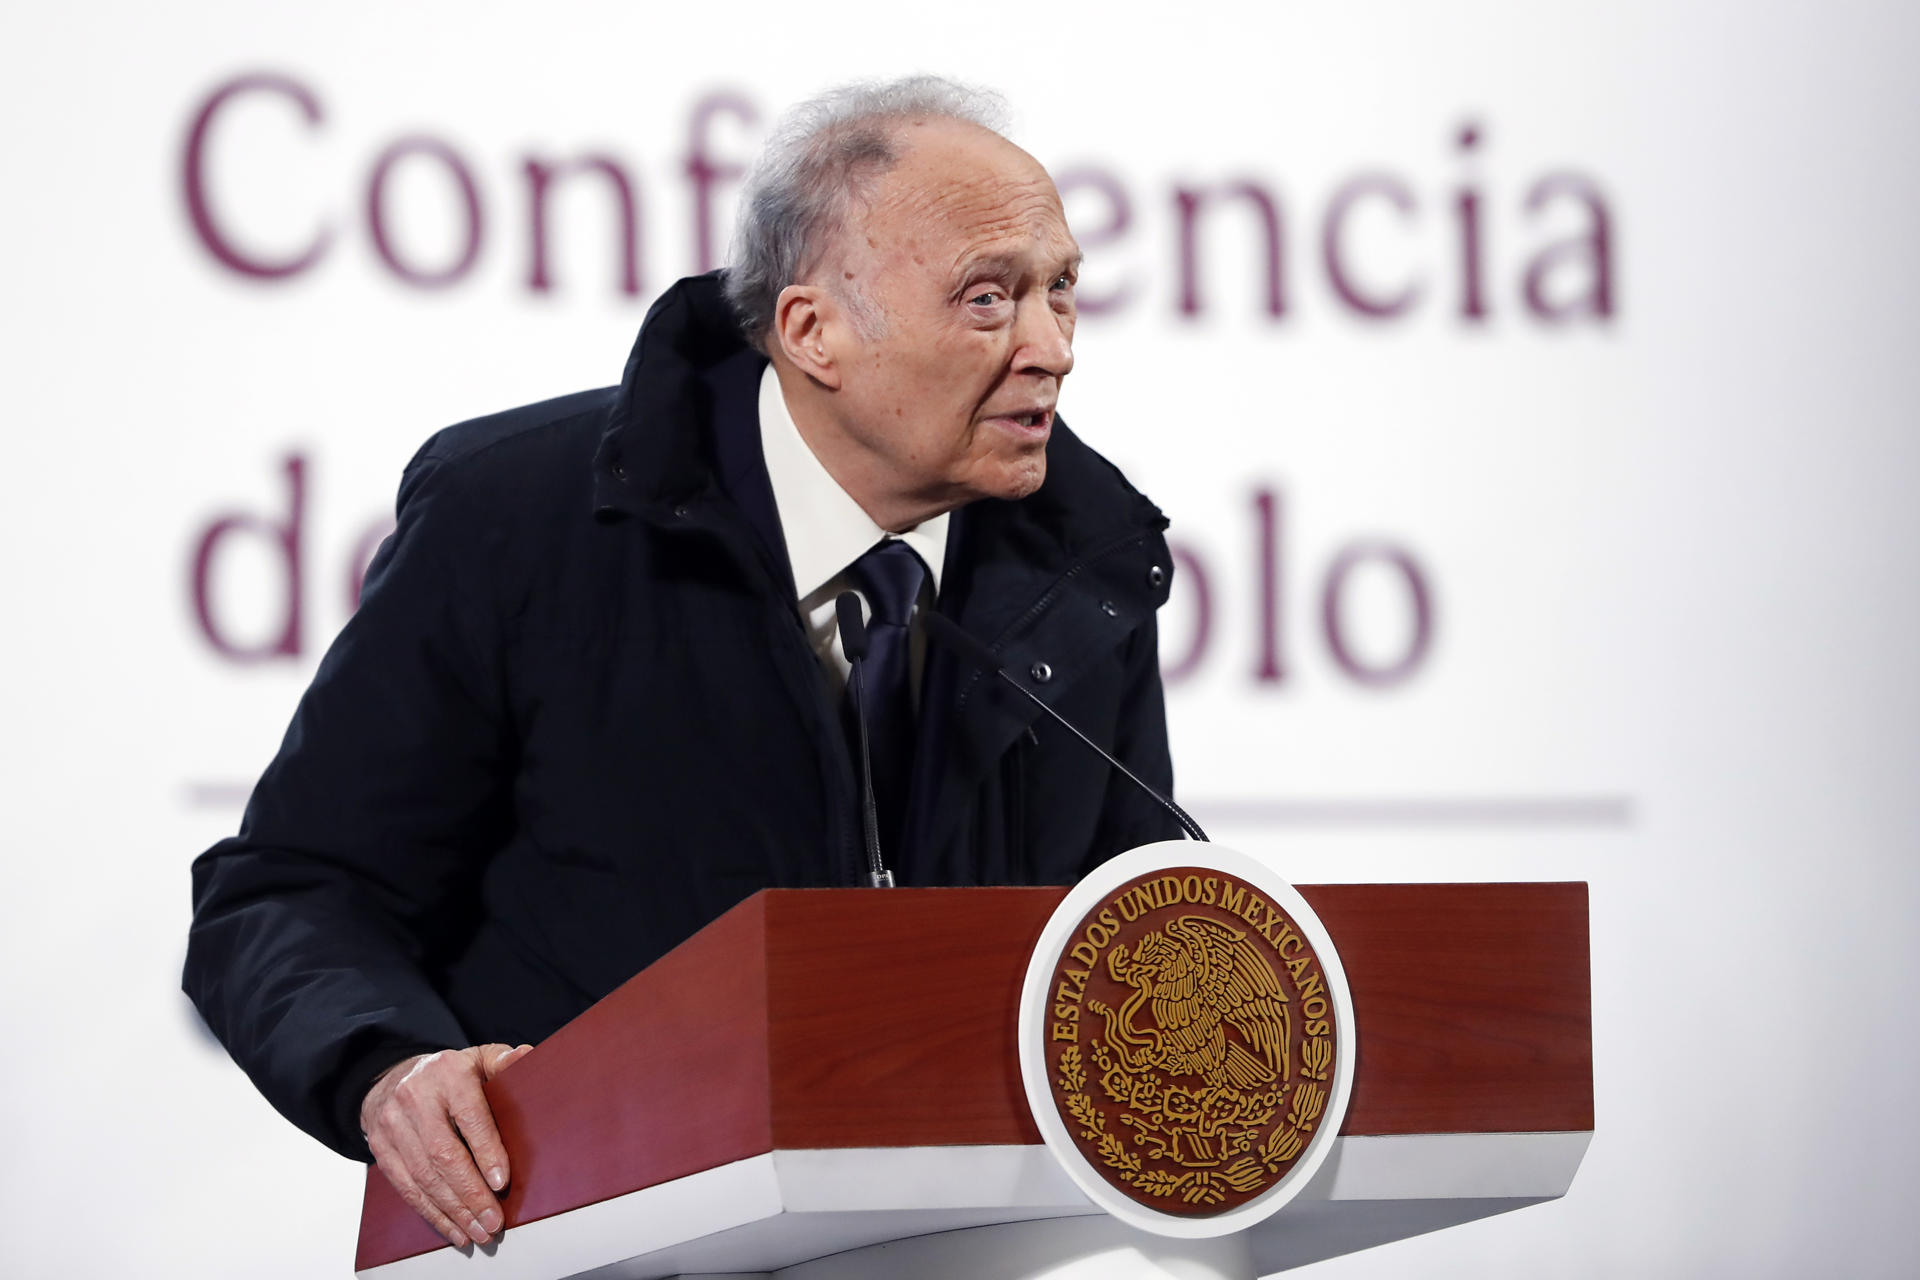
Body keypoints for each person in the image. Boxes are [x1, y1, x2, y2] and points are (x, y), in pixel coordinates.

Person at [184, 76, 1181, 1252]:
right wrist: (388, 1064)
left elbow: (1131, 922)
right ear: (814, 332)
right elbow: (289, 892)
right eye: (988, 298)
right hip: (588, 1234)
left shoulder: (1083, 559)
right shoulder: (516, 519)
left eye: (1062, 289)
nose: (1052, 349)